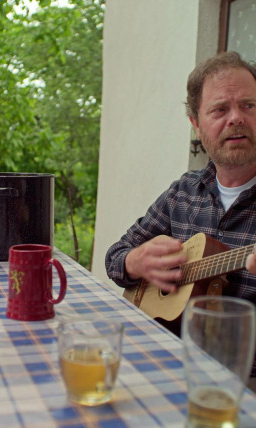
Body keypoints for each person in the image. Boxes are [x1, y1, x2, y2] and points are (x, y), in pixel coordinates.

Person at [105, 51, 256, 388]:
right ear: (196, 124)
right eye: (220, 109)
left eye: (249, 105)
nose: (236, 118)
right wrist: (134, 261)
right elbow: (115, 256)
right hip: (165, 359)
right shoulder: (183, 192)